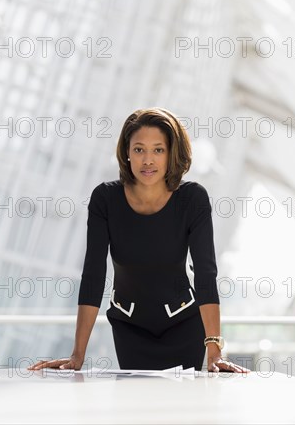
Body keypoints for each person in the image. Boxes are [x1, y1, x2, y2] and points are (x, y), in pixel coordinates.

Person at [28, 108, 250, 374]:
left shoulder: (192, 199)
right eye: (139, 150)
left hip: (183, 325)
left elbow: (205, 274)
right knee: (136, 410)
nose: (147, 160)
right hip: (129, 327)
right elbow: (93, 274)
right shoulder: (105, 199)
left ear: (172, 153)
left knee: (179, 413)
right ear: (126, 153)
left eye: (158, 150)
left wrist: (214, 352)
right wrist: (77, 355)